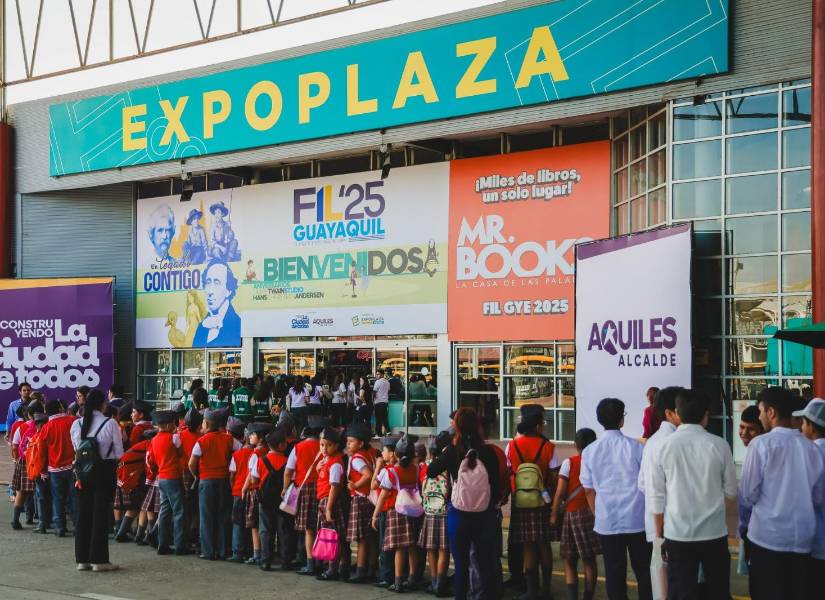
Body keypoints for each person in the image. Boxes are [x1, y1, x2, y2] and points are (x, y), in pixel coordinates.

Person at [650, 389, 737, 600]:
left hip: (677, 533)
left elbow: (657, 497)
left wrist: (659, 535)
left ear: (677, 413)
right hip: (714, 532)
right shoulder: (720, 445)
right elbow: (731, 491)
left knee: (681, 591)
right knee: (718, 591)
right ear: (706, 415)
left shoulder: (663, 446)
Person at [739, 387, 825, 600]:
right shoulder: (812, 450)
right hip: (802, 541)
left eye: (761, 411)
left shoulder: (761, 445)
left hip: (767, 538)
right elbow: (818, 498)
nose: (759, 416)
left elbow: (748, 494)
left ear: (771, 412)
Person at [580, 398, 652, 600]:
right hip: (637, 519)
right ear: (622, 420)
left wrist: (598, 514)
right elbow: (647, 483)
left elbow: (588, 490)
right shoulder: (636, 447)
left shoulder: (589, 451)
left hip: (608, 520)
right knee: (644, 571)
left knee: (614, 572)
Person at [427, 407, 502, 600]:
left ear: (457, 428)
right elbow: (496, 485)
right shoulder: (488, 452)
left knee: (461, 567)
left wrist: (443, 448)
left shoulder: (453, 451)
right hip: (484, 515)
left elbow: (431, 471)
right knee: (485, 564)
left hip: (459, 515)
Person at [505, 404, 558, 600]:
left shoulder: (512, 445)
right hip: (542, 500)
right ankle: (546, 589)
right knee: (543, 543)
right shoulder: (548, 446)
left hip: (520, 500)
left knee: (527, 544)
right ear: (537, 426)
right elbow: (554, 475)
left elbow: (507, 471)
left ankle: (531, 591)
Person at [70, 389, 124, 572]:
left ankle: (82, 560)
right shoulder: (110, 423)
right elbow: (119, 453)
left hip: (82, 473)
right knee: (100, 515)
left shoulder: (77, 424)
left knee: (83, 514)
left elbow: (77, 449)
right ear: (103, 404)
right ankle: (99, 560)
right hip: (104, 472)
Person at [551, 428, 601, 600]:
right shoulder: (599, 463)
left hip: (573, 514)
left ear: (575, 445)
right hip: (593, 513)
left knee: (569, 559)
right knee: (589, 559)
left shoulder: (569, 463)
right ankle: (588, 597)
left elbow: (560, 493)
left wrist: (554, 515)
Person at [371, 434, 423, 592]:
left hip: (397, 512)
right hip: (414, 512)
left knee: (399, 548)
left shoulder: (392, 472)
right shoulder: (416, 469)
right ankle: (412, 579)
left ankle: (398, 582)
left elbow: (382, 496)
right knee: (412, 546)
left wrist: (375, 515)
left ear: (396, 454)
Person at [189, 409, 239, 560]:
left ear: (206, 423)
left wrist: (196, 475)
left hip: (206, 481)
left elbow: (191, 463)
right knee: (223, 516)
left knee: (206, 517)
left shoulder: (201, 441)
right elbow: (242, 450)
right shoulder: (229, 439)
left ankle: (208, 551)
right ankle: (223, 551)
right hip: (224, 481)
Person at [638, 387, 683, 544]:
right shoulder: (677, 441)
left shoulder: (652, 442)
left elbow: (643, 484)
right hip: (676, 527)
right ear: (670, 413)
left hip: (658, 525)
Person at [284, 415, 324, 576]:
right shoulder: (327, 447)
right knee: (321, 527)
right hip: (323, 489)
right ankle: (322, 561)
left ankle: (310, 563)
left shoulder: (298, 447)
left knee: (308, 529)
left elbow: (288, 471)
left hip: (303, 488)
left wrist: (285, 488)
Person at [149, 410, 190, 555]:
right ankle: (180, 546)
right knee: (179, 511)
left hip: (161, 478)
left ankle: (163, 545)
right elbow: (181, 454)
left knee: (165, 511)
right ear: (167, 425)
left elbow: (152, 460)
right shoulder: (174, 438)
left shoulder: (154, 440)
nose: (175, 426)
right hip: (173, 477)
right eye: (173, 423)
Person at [794, 398, 825, 577]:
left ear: (812, 427)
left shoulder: (808, 455)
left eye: (804, 423)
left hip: (815, 545)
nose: (801, 427)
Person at [315, 426, 351, 581]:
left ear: (336, 446)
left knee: (334, 537)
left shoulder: (336, 463)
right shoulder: (326, 460)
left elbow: (334, 487)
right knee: (331, 535)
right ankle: (340, 568)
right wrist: (318, 469)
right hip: (325, 500)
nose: (324, 448)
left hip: (331, 502)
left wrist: (329, 508)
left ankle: (333, 569)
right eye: (322, 444)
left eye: (328, 445)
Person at [419, 432, 452, 597]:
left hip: (429, 510)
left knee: (431, 548)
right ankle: (440, 583)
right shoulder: (449, 464)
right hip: (445, 510)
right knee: (444, 549)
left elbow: (421, 484)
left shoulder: (426, 465)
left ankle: (433, 582)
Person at [344, 422, 376, 583]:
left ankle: (360, 570)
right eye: (347, 441)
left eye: (351, 441)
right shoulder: (369, 453)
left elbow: (368, 474)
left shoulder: (357, 458)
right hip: (368, 499)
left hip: (360, 498)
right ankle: (370, 568)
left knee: (361, 538)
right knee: (369, 537)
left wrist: (355, 485)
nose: (348, 444)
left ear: (361, 443)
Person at [40, 399, 77, 538]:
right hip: (73, 466)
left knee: (58, 499)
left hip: (55, 469)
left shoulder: (46, 427)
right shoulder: (72, 420)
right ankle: (77, 525)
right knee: (74, 497)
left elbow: (42, 452)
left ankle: (60, 527)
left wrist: (43, 470)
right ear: (61, 408)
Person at [736, 404, 764, 576]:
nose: (744, 433)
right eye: (742, 427)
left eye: (751, 429)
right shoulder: (753, 450)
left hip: (756, 530)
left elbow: (748, 496)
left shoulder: (758, 450)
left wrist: (743, 529)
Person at [241, 422, 273, 566]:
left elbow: (251, 475)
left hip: (254, 490)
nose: (250, 436)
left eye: (253, 434)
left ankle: (257, 553)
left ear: (260, 438)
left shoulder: (255, 454)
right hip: (266, 491)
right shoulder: (268, 451)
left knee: (254, 525)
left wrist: (244, 488)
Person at [192, 259, 241, 347]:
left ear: (228, 290)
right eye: (208, 282)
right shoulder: (201, 326)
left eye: (217, 283)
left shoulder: (238, 325)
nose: (210, 291)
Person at [373, 369, 390, 436]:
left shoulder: (377, 382)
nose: (377, 375)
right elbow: (388, 391)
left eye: (378, 374)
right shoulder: (387, 382)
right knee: (384, 418)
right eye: (377, 374)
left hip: (378, 402)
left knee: (378, 419)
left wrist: (373, 401)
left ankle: (379, 434)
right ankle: (388, 432)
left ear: (382, 374)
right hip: (385, 402)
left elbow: (374, 392)